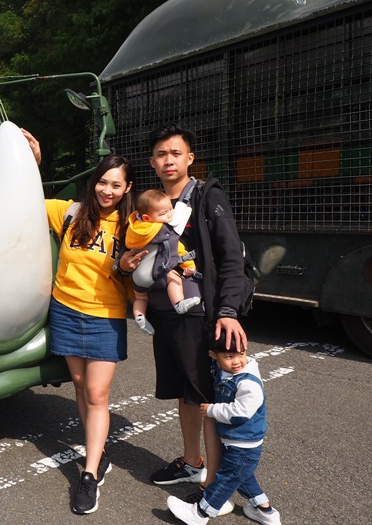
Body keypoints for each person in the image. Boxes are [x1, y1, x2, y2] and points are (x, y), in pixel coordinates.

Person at [22, 129, 144, 515]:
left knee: (96, 394)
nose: (108, 190)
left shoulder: (134, 227)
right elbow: (24, 201)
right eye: (103, 182)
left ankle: (90, 473)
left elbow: (151, 271)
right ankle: (99, 452)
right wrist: (34, 162)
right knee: (78, 385)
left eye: (116, 185)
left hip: (106, 317)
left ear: (128, 188)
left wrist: (125, 267)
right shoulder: (71, 213)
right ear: (94, 183)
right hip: (66, 309)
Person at [143, 124, 248, 510]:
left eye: (175, 153)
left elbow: (230, 254)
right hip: (163, 312)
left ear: (189, 158)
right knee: (186, 394)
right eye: (160, 154)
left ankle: (216, 488)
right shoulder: (148, 203)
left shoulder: (205, 195)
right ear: (152, 162)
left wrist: (228, 310)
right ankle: (192, 462)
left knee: (206, 398)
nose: (167, 160)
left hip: (199, 311)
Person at [167, 339, 281, 525]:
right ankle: (264, 510)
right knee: (241, 476)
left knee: (227, 478)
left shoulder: (248, 383)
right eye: (229, 357)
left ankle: (201, 513)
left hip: (243, 445)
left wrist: (212, 410)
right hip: (238, 442)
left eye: (241, 355)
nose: (237, 361)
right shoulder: (228, 373)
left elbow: (241, 412)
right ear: (214, 356)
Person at [125, 188, 201, 336]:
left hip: (137, 276)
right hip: (158, 273)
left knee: (141, 298)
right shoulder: (163, 230)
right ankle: (179, 303)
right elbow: (178, 250)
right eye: (163, 213)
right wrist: (189, 265)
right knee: (173, 276)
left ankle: (139, 316)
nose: (170, 214)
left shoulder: (134, 227)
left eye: (171, 209)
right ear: (147, 218)